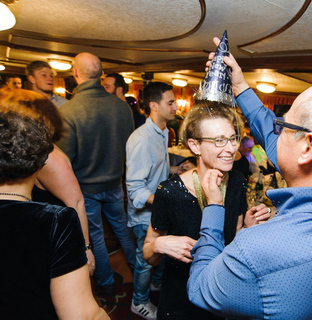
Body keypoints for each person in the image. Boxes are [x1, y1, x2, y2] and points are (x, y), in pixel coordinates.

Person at [186, 37, 312, 320]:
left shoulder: (259, 250)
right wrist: (240, 87)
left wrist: (213, 207)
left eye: (283, 123)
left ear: (308, 147)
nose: (276, 129)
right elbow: (280, 146)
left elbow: (199, 289)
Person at [143, 103, 271, 320]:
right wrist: (157, 245)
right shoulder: (170, 192)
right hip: (180, 295)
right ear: (195, 146)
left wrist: (249, 228)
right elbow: (149, 257)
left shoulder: (237, 181)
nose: (231, 148)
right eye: (219, 140)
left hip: (222, 291)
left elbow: (232, 240)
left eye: (233, 138)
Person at [0, 88, 108, 320]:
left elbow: (76, 201)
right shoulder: (54, 221)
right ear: (38, 159)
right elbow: (82, 316)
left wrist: (85, 249)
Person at [56, 52, 136, 296]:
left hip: (85, 187)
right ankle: (141, 272)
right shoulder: (121, 108)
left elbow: (63, 159)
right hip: (114, 183)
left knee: (96, 238)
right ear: (101, 74)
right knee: (123, 228)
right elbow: (128, 148)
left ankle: (106, 283)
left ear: (76, 73)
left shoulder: (69, 110)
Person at [126, 82, 178, 319]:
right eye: (171, 102)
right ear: (154, 106)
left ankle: (155, 286)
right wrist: (165, 202)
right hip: (145, 214)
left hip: (158, 209)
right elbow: (135, 188)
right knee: (145, 260)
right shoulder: (142, 139)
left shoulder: (163, 132)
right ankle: (138, 301)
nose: (176, 106)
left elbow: (155, 171)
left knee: (160, 255)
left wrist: (176, 169)